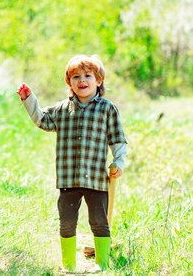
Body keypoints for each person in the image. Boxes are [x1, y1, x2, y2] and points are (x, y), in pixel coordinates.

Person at [17, 54, 128, 272]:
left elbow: (117, 139)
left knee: (99, 221)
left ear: (99, 80)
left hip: (96, 178)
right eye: (75, 77)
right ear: (69, 82)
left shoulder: (107, 109)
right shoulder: (61, 109)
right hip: (68, 179)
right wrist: (29, 99)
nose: (82, 80)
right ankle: (69, 264)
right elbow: (42, 120)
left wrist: (119, 162)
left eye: (88, 75)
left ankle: (101, 263)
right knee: (67, 221)